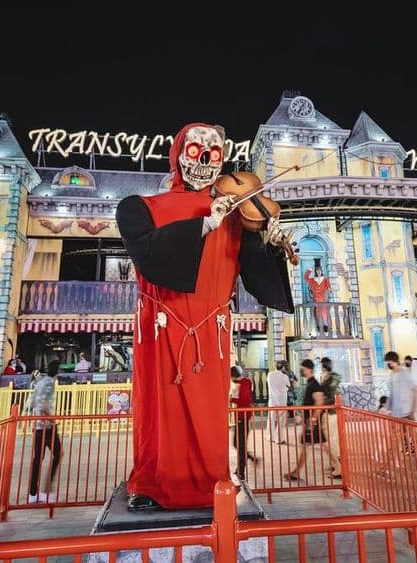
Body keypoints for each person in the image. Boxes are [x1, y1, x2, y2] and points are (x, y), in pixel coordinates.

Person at [118, 122, 294, 511]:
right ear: (178, 153)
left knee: (210, 412)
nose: (204, 159)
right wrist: (204, 224)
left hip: (211, 328)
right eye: (195, 149)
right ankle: (152, 483)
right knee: (160, 409)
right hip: (164, 324)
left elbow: (255, 275)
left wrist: (270, 242)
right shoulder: (140, 207)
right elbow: (147, 255)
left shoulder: (238, 214)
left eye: (214, 152)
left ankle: (211, 481)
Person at [284, 359, 327, 481]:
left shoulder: (314, 385)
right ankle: (339, 466)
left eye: (303, 368)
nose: (301, 370)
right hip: (310, 421)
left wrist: (312, 419)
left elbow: (319, 402)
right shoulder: (310, 383)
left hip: (312, 422)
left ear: (310, 370)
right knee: (322, 446)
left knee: (310, 446)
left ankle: (295, 472)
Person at [28, 360, 63, 503]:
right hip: (47, 426)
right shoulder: (49, 383)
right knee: (58, 454)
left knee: (38, 458)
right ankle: (46, 490)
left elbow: (33, 402)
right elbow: (44, 405)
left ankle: (33, 493)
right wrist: (53, 420)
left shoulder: (41, 382)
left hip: (37, 424)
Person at [230, 366, 256, 480]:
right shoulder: (244, 382)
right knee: (238, 443)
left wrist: (232, 399)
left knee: (239, 443)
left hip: (243, 416)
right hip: (241, 416)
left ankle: (241, 470)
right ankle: (246, 461)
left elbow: (244, 399)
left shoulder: (244, 383)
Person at [320, 357, 343, 479]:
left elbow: (324, 395)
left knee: (330, 441)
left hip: (329, 411)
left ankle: (338, 469)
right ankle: (337, 464)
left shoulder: (327, 378)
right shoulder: (335, 377)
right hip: (335, 411)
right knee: (335, 439)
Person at [386, 352, 417, 421]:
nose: (388, 365)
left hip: (407, 413)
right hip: (396, 414)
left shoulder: (405, 374)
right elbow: (392, 394)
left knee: (412, 431)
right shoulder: (392, 375)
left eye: (389, 363)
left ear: (393, 361)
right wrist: (387, 409)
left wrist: (413, 411)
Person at [266, 360, 291, 443]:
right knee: (281, 419)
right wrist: (286, 389)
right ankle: (279, 439)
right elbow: (288, 385)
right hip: (282, 400)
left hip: (272, 400)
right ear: (283, 367)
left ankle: (270, 437)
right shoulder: (285, 377)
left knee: (271, 418)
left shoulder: (270, 375)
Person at [304, 266, 332, 335]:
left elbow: (328, 287)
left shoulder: (325, 279)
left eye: (319, 270)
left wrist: (329, 290)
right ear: (315, 272)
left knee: (324, 312)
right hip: (316, 299)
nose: (318, 272)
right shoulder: (313, 280)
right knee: (317, 313)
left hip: (323, 299)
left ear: (321, 271)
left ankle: (325, 327)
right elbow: (306, 278)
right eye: (317, 270)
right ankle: (319, 327)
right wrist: (310, 269)